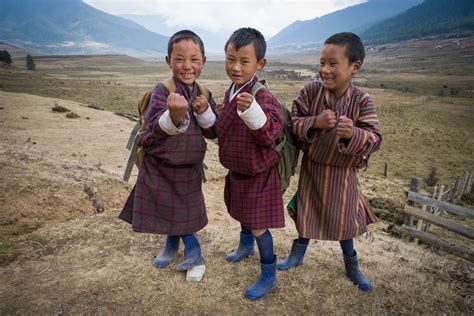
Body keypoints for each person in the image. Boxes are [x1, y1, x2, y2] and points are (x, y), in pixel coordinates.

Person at [278, 32, 382, 292]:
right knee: (307, 215)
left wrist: (353, 134)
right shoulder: (311, 91)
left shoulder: (362, 100)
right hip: (313, 170)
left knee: (344, 222)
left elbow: (375, 138)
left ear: (354, 67)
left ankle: (352, 266)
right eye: (322, 62)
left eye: (333, 63)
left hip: (342, 176)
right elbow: (294, 122)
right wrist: (316, 122)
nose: (324, 70)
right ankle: (296, 255)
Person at [119, 30, 217, 273]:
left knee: (182, 210)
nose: (187, 66)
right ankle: (188, 249)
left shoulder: (204, 93)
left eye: (194, 59)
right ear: (168, 61)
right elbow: (153, 125)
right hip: (161, 164)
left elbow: (213, 131)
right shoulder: (162, 90)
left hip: (190, 167)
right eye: (179, 59)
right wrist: (173, 116)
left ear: (204, 61)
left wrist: (204, 111)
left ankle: (175, 245)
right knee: (168, 207)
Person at [214, 27, 285, 300]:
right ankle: (245, 247)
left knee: (257, 223)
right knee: (241, 210)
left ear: (260, 64)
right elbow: (224, 127)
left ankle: (269, 274)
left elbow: (271, 133)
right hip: (238, 169)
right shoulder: (231, 91)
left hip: (258, 172)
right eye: (230, 59)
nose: (235, 67)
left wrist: (252, 110)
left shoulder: (261, 96)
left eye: (244, 61)